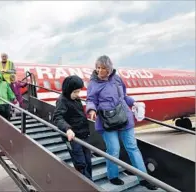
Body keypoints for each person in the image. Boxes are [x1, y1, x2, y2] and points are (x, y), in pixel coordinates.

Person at [86, 55, 157, 190]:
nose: (100, 71)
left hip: (124, 117)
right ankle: (113, 176)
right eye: (98, 68)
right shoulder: (93, 84)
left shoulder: (117, 79)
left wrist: (134, 103)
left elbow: (123, 96)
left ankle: (144, 179)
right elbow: (90, 100)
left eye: (103, 68)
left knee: (132, 148)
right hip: (107, 121)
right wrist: (91, 110)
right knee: (113, 149)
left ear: (109, 69)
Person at [52, 75, 92, 181]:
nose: (77, 94)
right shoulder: (62, 100)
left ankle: (90, 183)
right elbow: (57, 117)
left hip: (83, 135)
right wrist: (68, 129)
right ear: (68, 90)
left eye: (79, 91)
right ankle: (87, 186)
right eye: (75, 92)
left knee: (88, 161)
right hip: (73, 138)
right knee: (80, 163)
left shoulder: (76, 99)